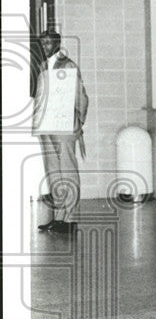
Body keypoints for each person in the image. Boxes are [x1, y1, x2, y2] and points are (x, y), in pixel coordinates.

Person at [36, 30, 88, 234]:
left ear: (57, 44)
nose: (45, 46)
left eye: (49, 43)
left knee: (67, 171)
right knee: (53, 172)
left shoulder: (67, 65)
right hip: (47, 126)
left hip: (64, 126)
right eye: (43, 43)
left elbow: (80, 96)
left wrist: (78, 122)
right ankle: (58, 218)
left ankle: (70, 218)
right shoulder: (43, 65)